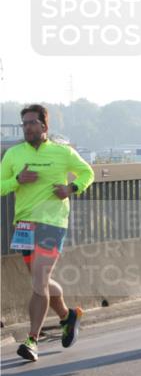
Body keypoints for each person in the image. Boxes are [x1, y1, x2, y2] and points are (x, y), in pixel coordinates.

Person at [1, 104, 92, 362]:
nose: (27, 127)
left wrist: (71, 188)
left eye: (32, 123)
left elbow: (88, 172)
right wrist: (17, 180)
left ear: (44, 126)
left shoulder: (63, 152)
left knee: (39, 279)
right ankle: (67, 316)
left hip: (53, 223)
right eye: (24, 123)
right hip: (25, 225)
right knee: (39, 281)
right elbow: (0, 186)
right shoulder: (13, 154)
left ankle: (31, 340)